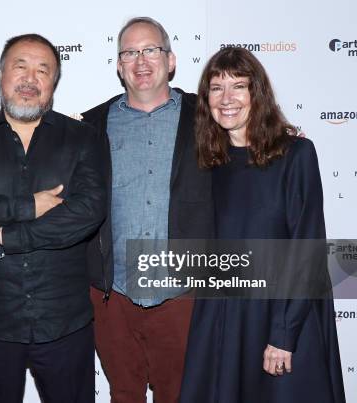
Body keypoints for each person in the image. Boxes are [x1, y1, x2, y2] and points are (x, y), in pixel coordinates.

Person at [0, 33, 106, 403]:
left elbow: (88, 211)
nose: (30, 78)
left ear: (53, 83)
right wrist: (27, 206)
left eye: (43, 70)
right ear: (1, 75)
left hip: (65, 323)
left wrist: (8, 235)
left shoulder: (82, 138)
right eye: (20, 66)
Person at [179, 47, 346, 403]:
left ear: (257, 93)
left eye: (238, 86)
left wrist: (284, 334)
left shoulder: (296, 155)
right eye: (216, 87)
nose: (227, 99)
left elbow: (307, 250)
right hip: (225, 314)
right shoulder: (211, 162)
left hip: (283, 313)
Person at [81, 17, 214, 403]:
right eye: (129, 52)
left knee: (181, 395)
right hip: (113, 295)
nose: (140, 60)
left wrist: (282, 139)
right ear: (119, 65)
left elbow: (249, 148)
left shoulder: (207, 116)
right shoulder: (90, 125)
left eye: (150, 50)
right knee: (124, 394)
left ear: (170, 61)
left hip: (181, 293)